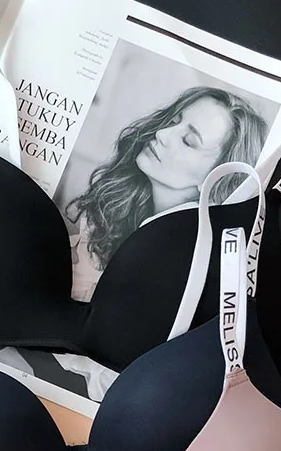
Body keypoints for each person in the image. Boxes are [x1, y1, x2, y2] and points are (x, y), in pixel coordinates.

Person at [67, 86, 268, 301]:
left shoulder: (192, 261)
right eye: (173, 121)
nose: (161, 134)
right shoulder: (117, 205)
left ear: (217, 178)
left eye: (188, 141)